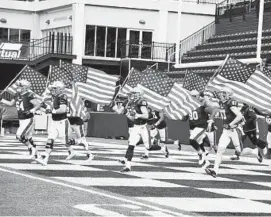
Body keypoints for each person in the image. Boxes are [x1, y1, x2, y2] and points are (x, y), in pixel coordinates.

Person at [35, 81, 77, 166]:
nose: (53, 90)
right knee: (50, 139)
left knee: (65, 141)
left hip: (62, 122)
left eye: (55, 88)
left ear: (60, 89)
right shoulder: (55, 96)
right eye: (53, 88)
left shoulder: (62, 96)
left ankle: (80, 144)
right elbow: (50, 110)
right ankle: (45, 159)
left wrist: (51, 110)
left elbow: (63, 109)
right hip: (54, 122)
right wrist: (43, 107)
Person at [205, 87, 244, 178]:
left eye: (223, 93)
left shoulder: (231, 103)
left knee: (239, 150)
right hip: (226, 131)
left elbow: (239, 116)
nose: (220, 95)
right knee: (220, 150)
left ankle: (250, 152)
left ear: (228, 94)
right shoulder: (222, 103)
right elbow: (212, 106)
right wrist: (206, 96)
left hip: (234, 130)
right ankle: (215, 170)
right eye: (220, 93)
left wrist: (230, 124)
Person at [0, 80, 41, 159]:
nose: (18, 87)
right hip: (21, 119)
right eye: (18, 86)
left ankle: (31, 149)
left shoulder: (29, 95)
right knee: (28, 138)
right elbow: (10, 103)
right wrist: (1, 100)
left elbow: (38, 104)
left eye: (20, 86)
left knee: (19, 135)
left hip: (28, 119)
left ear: (25, 87)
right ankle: (36, 154)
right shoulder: (17, 94)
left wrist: (31, 110)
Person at [116, 87, 151, 172]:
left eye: (134, 93)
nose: (132, 95)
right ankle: (128, 166)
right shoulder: (129, 102)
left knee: (148, 147)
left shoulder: (141, 102)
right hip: (135, 126)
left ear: (139, 94)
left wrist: (138, 115)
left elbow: (146, 116)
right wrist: (114, 106)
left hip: (144, 126)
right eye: (132, 93)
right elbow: (125, 115)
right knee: (131, 145)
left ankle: (162, 148)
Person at [68, 96, 94, 161]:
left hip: (77, 123)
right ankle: (71, 151)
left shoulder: (79, 103)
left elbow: (82, 113)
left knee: (82, 139)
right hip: (70, 122)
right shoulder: (69, 100)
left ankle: (90, 154)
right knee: (65, 138)